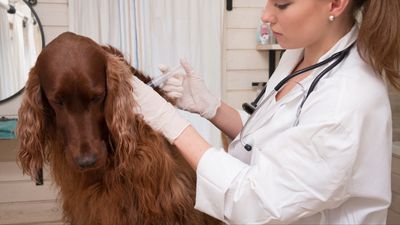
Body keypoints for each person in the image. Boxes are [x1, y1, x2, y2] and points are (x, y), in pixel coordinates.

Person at [131, 0, 400, 224]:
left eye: (282, 3)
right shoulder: (299, 55)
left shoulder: (347, 100)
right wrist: (211, 107)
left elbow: (255, 201)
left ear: (336, 3)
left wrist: (171, 124)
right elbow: (269, 137)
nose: (266, 15)